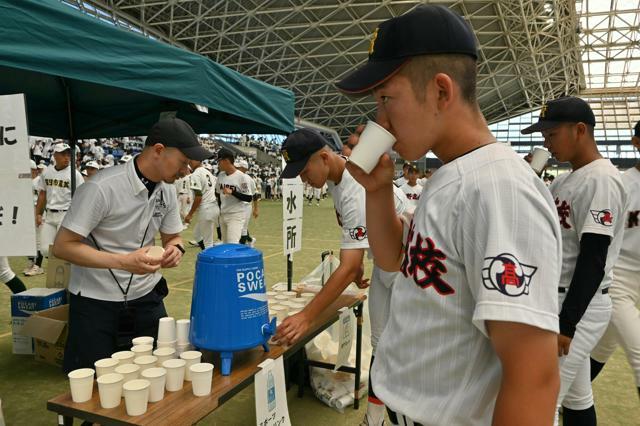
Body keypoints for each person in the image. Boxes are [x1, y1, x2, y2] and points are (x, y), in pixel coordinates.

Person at [337, 5, 562, 425]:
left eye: (387, 99)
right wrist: (377, 190)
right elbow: (393, 261)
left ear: (442, 92)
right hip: (400, 407)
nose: (379, 120)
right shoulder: (451, 172)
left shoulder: (500, 189)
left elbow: (533, 375)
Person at [52, 117, 211, 373]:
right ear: (158, 150)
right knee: (96, 391)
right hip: (96, 301)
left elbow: (173, 237)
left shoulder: (167, 189)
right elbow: (62, 246)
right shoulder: (101, 187)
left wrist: (176, 249)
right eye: (183, 162)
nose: (186, 171)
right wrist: (123, 261)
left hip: (146, 296)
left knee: (158, 374)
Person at [275, 128, 407, 426]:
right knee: (380, 344)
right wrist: (358, 265)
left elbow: (346, 265)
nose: (302, 178)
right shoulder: (338, 180)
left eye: (304, 169)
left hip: (411, 270)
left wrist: (306, 316)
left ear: (324, 157)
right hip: (388, 264)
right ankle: (374, 418)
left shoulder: (354, 185)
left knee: (404, 348)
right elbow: (353, 240)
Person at [521, 96, 626, 426]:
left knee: (540, 402)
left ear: (580, 130)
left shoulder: (603, 179)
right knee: (578, 397)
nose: (545, 143)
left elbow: (594, 258)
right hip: (561, 297)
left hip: (579, 303)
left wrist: (567, 324)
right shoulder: (567, 179)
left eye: (551, 134)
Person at [590, 120, 640, 398]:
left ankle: (567, 394)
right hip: (618, 277)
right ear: (636, 142)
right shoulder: (623, 184)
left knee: (603, 348)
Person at [31, 143, 84, 274]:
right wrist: (37, 213)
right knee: (44, 249)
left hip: (66, 214)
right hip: (49, 214)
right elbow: (42, 194)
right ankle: (64, 272)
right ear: (55, 155)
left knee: (62, 248)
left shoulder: (75, 174)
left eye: (68, 154)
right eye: (63, 154)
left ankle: (64, 276)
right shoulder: (47, 172)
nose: (67, 157)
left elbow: (82, 196)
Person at [216, 149, 253, 243]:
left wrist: (233, 192)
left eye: (219, 161)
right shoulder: (221, 175)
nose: (218, 164)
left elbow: (248, 198)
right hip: (223, 214)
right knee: (224, 244)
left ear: (226, 161)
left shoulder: (241, 177)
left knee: (232, 244)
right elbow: (217, 193)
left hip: (236, 215)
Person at [185, 158, 219, 249]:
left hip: (206, 208)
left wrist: (190, 214)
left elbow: (198, 197)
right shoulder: (208, 172)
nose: (190, 161)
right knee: (197, 234)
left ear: (198, 160)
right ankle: (206, 254)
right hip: (213, 206)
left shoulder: (196, 174)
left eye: (192, 159)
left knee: (208, 243)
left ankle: (211, 261)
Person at [235, 160, 259, 246]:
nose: (236, 168)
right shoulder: (235, 176)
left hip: (246, 206)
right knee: (239, 226)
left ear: (244, 168)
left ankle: (241, 247)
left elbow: (255, 194)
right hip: (236, 206)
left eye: (238, 167)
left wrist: (255, 209)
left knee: (243, 228)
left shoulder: (249, 179)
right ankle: (250, 240)